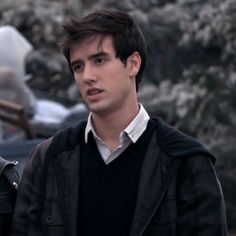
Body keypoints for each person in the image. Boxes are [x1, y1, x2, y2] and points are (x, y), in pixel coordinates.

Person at [11, 9, 228, 236]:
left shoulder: (185, 161)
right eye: (78, 66)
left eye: (99, 60)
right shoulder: (48, 159)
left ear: (133, 63)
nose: (87, 76)